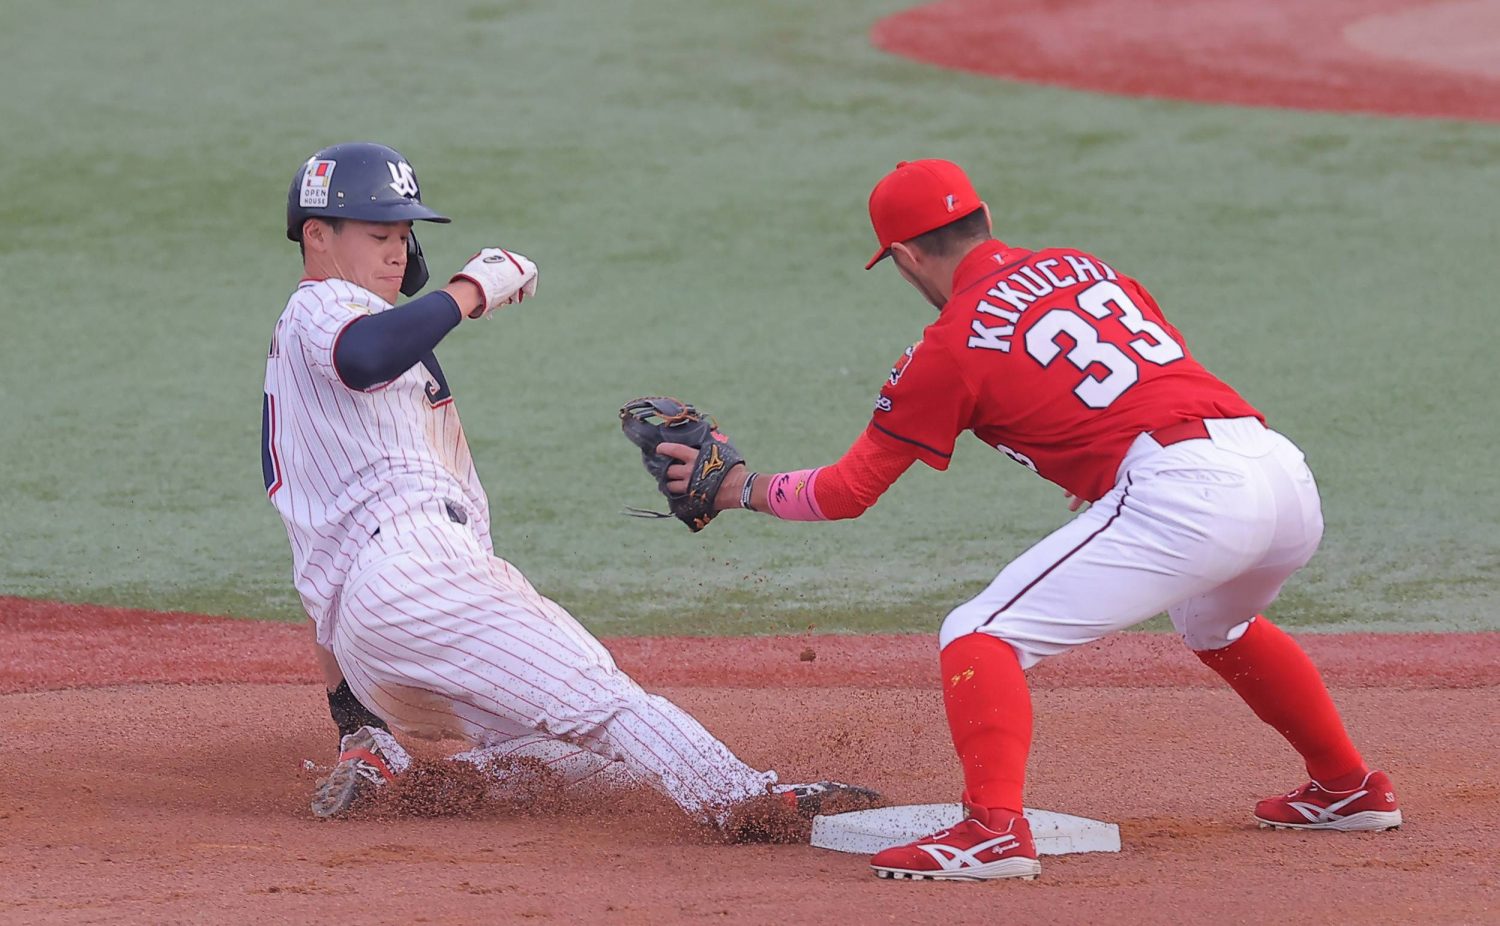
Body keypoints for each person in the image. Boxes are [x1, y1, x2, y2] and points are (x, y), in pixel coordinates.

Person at [655, 159, 1401, 880]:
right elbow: (1145, 379)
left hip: (1187, 493)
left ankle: (991, 834)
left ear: (907, 256)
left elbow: (848, 491)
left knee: (978, 633)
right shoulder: (1086, 266)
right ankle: (1347, 785)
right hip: (1278, 471)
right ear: (986, 221)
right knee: (1216, 625)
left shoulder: (945, 348)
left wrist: (738, 487)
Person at [262, 141, 876, 832]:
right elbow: (364, 353)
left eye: (405, 235)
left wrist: (354, 721)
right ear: (317, 235)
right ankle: (743, 800)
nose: (399, 252)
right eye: (379, 235)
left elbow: (318, 568)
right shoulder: (322, 307)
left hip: (375, 637)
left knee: (600, 753)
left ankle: (413, 776)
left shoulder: (309, 385)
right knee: (600, 697)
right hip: (417, 579)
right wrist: (469, 291)